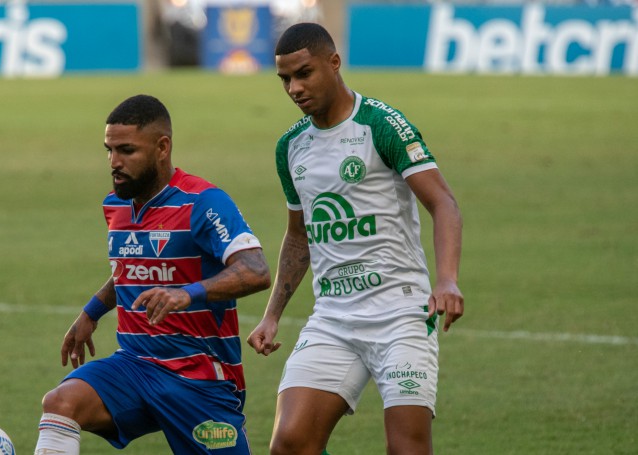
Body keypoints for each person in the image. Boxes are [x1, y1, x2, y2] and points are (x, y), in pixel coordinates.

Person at [246, 23, 465, 455]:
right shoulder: (290, 147)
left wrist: (447, 280)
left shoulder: (381, 124)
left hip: (401, 313)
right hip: (334, 318)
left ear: (334, 63)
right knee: (289, 443)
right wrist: (272, 314)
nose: (294, 88)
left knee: (407, 448)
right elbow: (298, 237)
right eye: (285, 79)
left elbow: (443, 204)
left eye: (304, 73)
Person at [33, 94, 271, 455]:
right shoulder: (115, 205)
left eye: (127, 150)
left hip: (199, 378)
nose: (114, 162)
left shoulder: (203, 202)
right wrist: (90, 313)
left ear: (162, 147)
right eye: (109, 150)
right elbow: (130, 269)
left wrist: (187, 293)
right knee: (60, 403)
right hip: (134, 365)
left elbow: (256, 271)